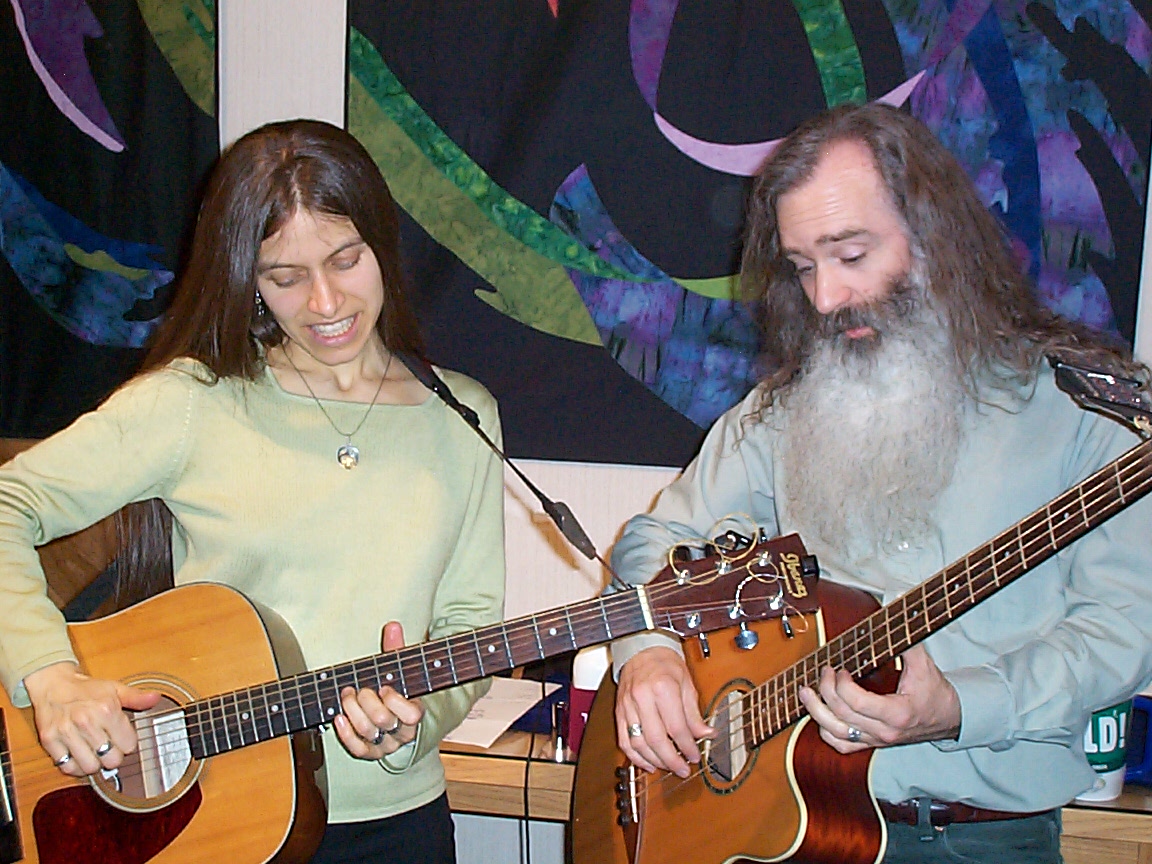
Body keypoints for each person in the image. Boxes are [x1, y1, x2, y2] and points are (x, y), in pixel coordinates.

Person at [608, 103, 1152, 863]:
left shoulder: (1084, 416)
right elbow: (657, 541)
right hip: (782, 833)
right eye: (804, 267)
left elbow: (1122, 629)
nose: (824, 298)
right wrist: (648, 652)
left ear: (936, 238)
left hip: (975, 842)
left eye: (851, 255)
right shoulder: (780, 412)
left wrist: (963, 705)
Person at [0, 119, 505, 864]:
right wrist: (48, 674)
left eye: (345, 259)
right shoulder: (193, 401)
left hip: (398, 825)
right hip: (215, 820)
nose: (326, 302)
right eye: (286, 277)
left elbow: (471, 623)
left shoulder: (462, 417)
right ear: (249, 281)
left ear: (382, 246)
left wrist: (416, 721)